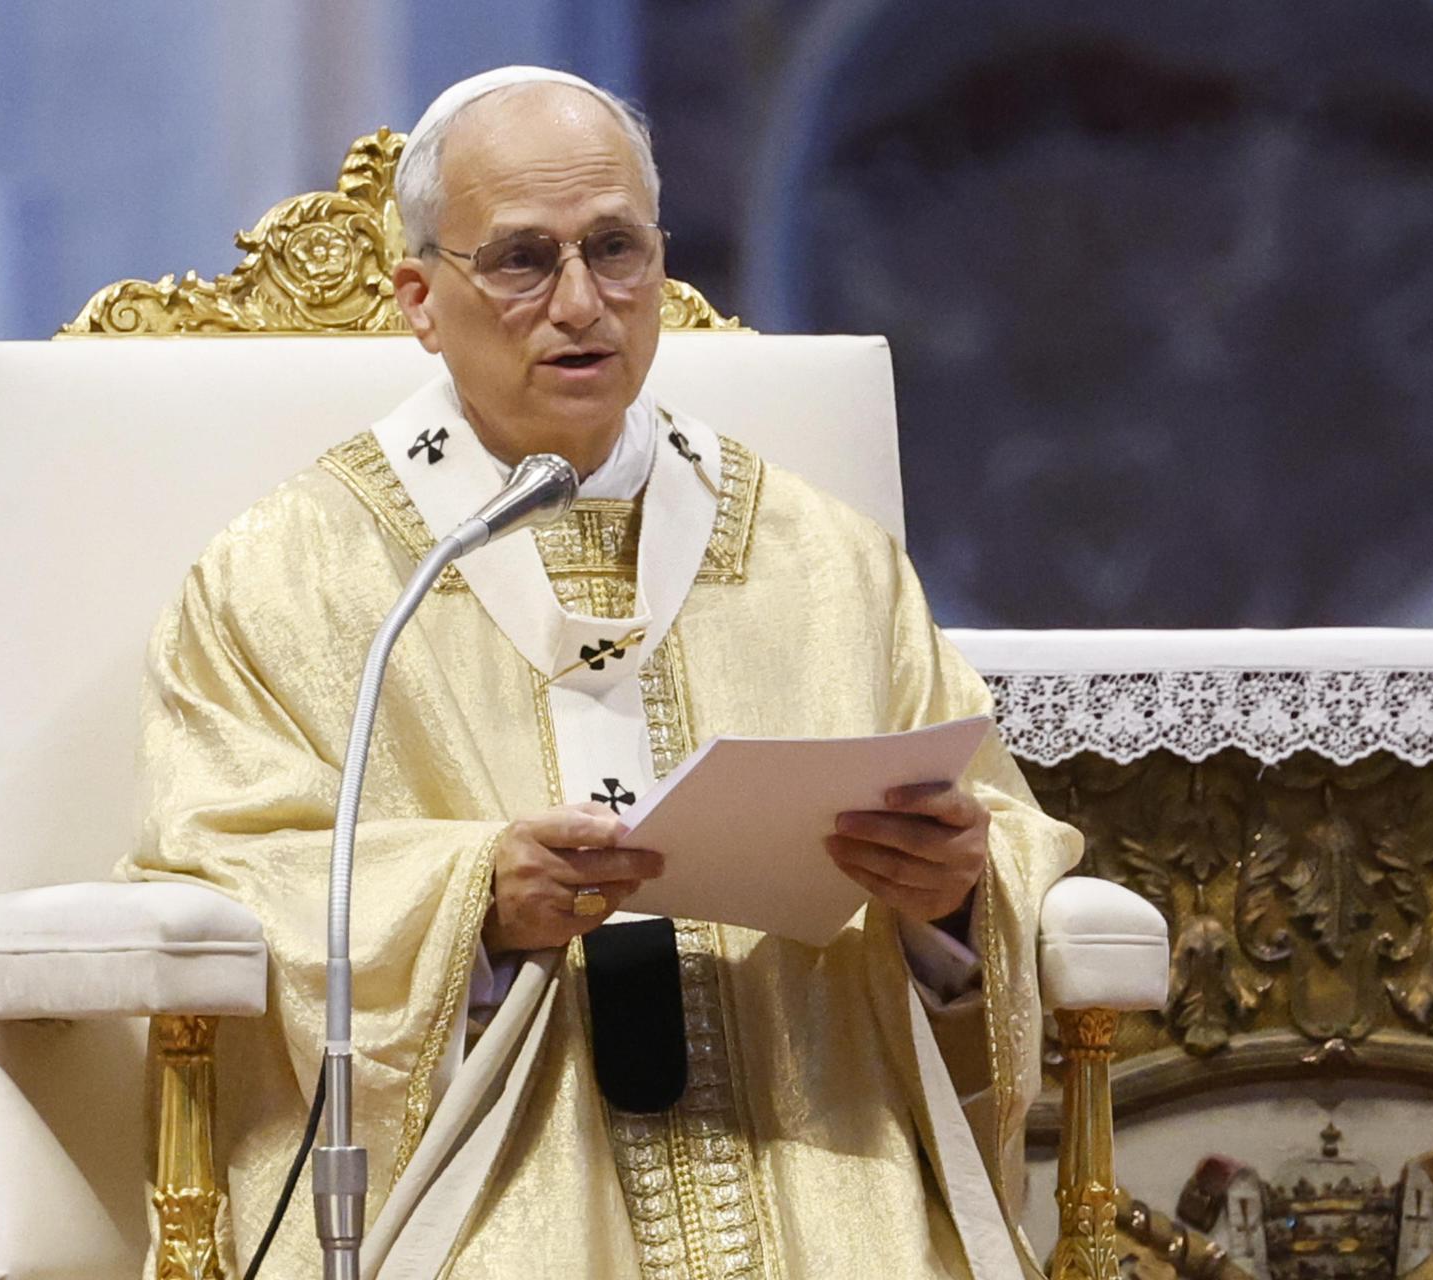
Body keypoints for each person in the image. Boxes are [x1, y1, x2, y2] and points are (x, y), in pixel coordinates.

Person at [129, 65, 1080, 1279]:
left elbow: (996, 824)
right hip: (490, 1171)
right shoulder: (290, 576)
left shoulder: (825, 561)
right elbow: (224, 861)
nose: (581, 303)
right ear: (420, 298)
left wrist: (948, 896)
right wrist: (473, 898)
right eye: (523, 259)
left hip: (814, 1153)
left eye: (616, 249)